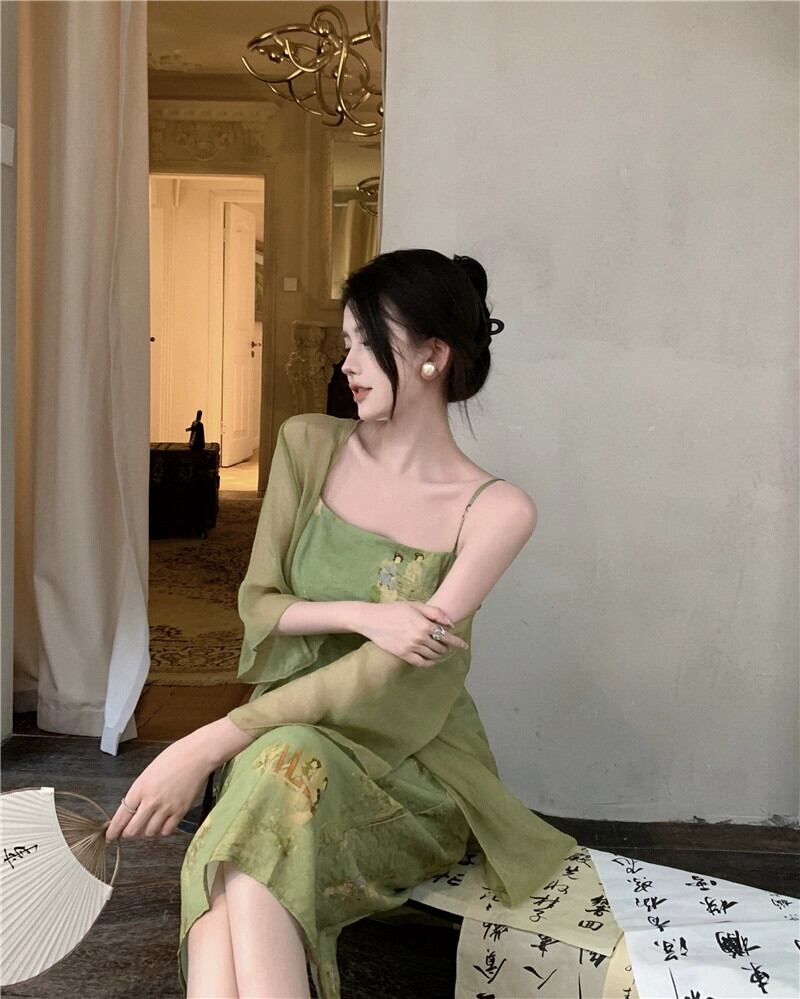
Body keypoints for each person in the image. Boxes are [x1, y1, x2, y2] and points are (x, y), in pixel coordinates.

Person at [105, 248, 576, 998]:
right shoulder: (307, 445)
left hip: (408, 765)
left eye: (367, 342)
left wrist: (209, 739)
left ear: (433, 355)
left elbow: (390, 667)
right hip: (281, 739)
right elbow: (259, 603)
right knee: (252, 851)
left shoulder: (495, 510)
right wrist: (368, 614)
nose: (347, 362)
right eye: (346, 340)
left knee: (238, 866)